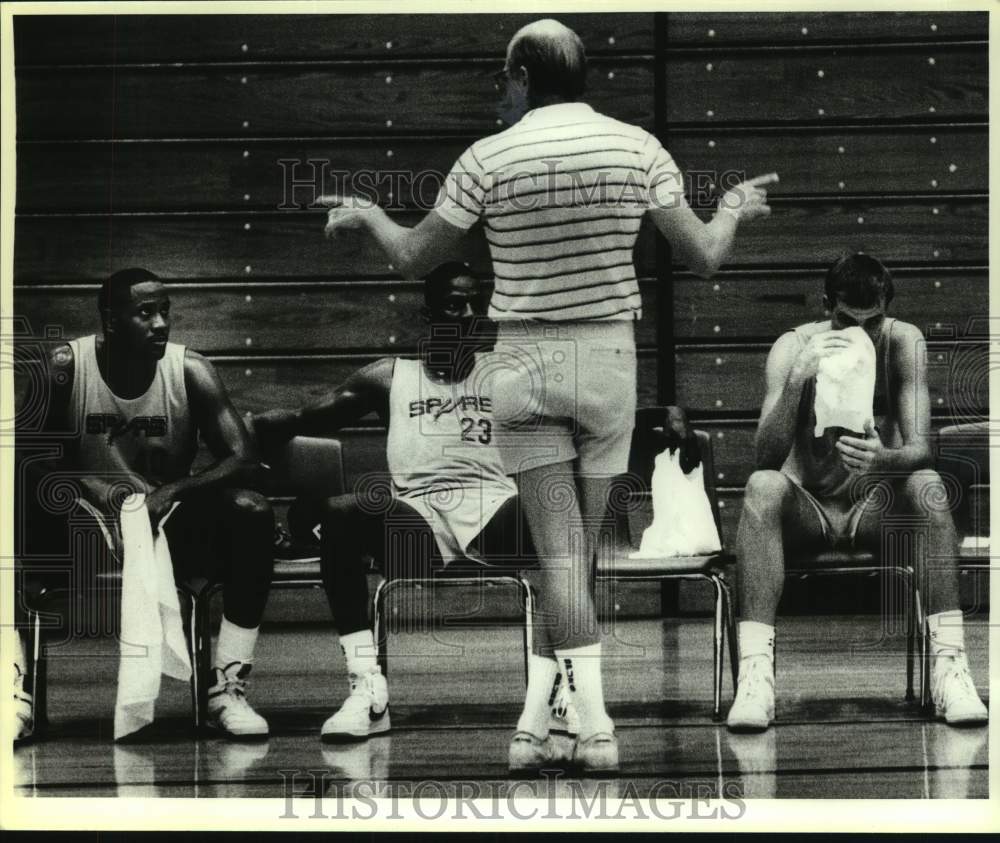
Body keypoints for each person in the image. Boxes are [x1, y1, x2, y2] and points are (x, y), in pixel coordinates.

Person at [319, 19, 777, 771]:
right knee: (575, 557)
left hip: (524, 360)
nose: (500, 91)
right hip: (605, 360)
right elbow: (703, 258)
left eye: (504, 78)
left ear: (524, 76)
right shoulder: (638, 147)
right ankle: (555, 723)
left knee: (556, 558)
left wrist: (371, 212)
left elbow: (411, 259)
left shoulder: (487, 156)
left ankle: (581, 721)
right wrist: (728, 209)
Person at [252, 264, 581, 755]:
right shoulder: (389, 377)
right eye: (454, 304)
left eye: (475, 303)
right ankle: (368, 687)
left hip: (492, 510)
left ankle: (562, 689)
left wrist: (661, 416)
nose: (468, 313)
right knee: (343, 514)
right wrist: (240, 427)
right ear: (429, 313)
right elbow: (305, 418)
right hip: (418, 520)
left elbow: (594, 414)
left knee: (556, 519)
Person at [726, 253, 988, 732]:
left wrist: (882, 459)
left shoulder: (903, 342)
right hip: (808, 507)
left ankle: (950, 667)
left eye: (873, 322)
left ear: (887, 309)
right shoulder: (793, 347)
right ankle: (756, 677)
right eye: (847, 320)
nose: (860, 333)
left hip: (872, 506)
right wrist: (797, 382)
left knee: (928, 486)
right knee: (762, 486)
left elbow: (922, 450)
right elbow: (763, 457)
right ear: (827, 306)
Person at [14, 267, 275, 741]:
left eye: (164, 312)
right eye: (145, 314)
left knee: (252, 511)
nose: (160, 324)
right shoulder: (64, 367)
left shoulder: (189, 370)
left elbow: (245, 459)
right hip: (83, 526)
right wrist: (82, 481)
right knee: (8, 509)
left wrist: (172, 491)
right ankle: (17, 689)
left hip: (168, 523)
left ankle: (226, 688)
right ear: (111, 322)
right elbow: (23, 460)